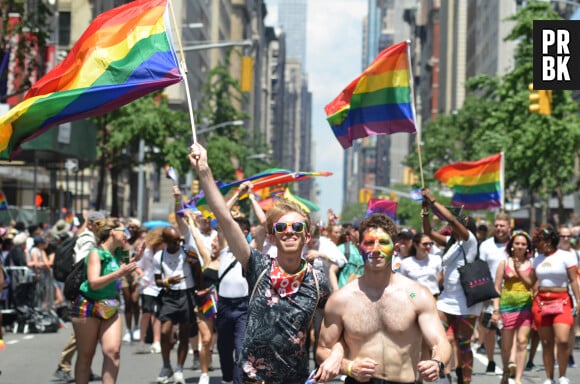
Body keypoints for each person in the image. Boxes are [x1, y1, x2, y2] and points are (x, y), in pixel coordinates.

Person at [189, 143, 331, 383]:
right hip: (251, 378)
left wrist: (336, 355)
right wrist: (204, 170)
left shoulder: (318, 282)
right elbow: (224, 217)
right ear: (272, 237)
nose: (290, 232)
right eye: (281, 227)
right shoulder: (257, 264)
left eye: (297, 227)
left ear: (307, 237)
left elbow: (337, 327)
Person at [315, 213, 451, 383]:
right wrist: (348, 367)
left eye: (384, 242)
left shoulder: (416, 295)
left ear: (396, 248)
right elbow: (322, 350)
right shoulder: (341, 300)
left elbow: (440, 342)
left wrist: (436, 362)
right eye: (369, 243)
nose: (376, 249)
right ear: (359, 248)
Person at [421, 188, 482, 384]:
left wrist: (433, 200)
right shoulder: (451, 243)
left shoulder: (470, 242)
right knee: (436, 338)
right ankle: (441, 375)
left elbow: (452, 221)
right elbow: (429, 232)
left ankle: (465, 380)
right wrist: (426, 213)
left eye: (461, 221)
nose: (456, 223)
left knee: (463, 344)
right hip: (446, 300)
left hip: (466, 303)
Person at [70, 218, 138, 384]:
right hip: (88, 304)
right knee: (86, 354)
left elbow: (128, 269)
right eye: (124, 232)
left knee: (113, 352)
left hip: (109, 303)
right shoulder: (96, 252)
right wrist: (118, 274)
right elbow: (93, 282)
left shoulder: (120, 252)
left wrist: (139, 255)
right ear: (112, 232)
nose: (127, 236)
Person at [515, 224, 580, 384]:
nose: (536, 244)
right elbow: (531, 282)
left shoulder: (566, 256)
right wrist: (519, 271)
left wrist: (578, 301)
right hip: (542, 303)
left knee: (563, 340)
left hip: (562, 300)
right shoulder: (538, 259)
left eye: (539, 241)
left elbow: (573, 280)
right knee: (546, 342)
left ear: (549, 241)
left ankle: (563, 375)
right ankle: (550, 377)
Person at [54, 211, 105, 383]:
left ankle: (85, 368)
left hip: (91, 292)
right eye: (98, 223)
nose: (101, 227)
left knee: (88, 335)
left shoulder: (91, 237)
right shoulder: (87, 239)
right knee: (80, 334)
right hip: (84, 292)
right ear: (91, 224)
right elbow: (82, 264)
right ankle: (64, 365)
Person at [153, 226, 203, 384]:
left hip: (186, 295)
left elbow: (199, 274)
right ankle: (166, 366)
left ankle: (179, 369)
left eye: (179, 240)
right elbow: (157, 281)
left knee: (184, 333)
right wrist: (168, 281)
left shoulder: (188, 251)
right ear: (167, 242)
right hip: (169, 296)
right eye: (175, 241)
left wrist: (195, 265)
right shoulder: (159, 256)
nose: (178, 243)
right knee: (165, 331)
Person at [494, 230, 534, 384]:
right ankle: (505, 371)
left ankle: (518, 379)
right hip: (506, 307)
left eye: (523, 244)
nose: (520, 246)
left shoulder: (531, 264)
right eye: (517, 243)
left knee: (522, 342)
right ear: (511, 245)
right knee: (506, 346)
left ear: (528, 247)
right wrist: (496, 310)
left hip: (525, 306)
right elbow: (497, 288)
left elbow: (532, 285)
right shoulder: (504, 263)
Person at [478, 213, 511, 375]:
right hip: (490, 294)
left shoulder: (515, 244)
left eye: (502, 225)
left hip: (512, 293)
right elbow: (481, 270)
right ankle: (491, 360)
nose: (499, 229)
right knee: (489, 330)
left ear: (508, 227)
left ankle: (509, 362)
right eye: (497, 225)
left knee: (510, 329)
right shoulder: (485, 246)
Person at [135, 226, 164, 355]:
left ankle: (156, 341)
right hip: (147, 285)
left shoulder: (165, 252)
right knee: (146, 312)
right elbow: (138, 266)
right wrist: (143, 276)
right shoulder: (146, 252)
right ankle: (142, 341)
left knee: (157, 314)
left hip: (161, 285)